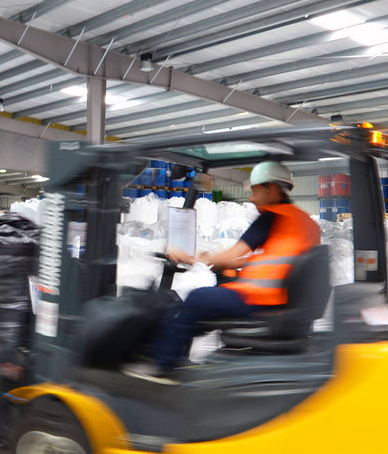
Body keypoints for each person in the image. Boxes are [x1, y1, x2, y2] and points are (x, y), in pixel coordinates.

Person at [127, 160, 321, 382]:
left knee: (196, 299)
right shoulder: (305, 222)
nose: (251, 198)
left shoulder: (272, 216)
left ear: (272, 189)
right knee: (216, 294)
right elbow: (281, 259)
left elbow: (232, 256)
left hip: (261, 300)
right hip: (284, 300)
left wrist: (189, 257)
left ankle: (163, 366)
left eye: (255, 192)